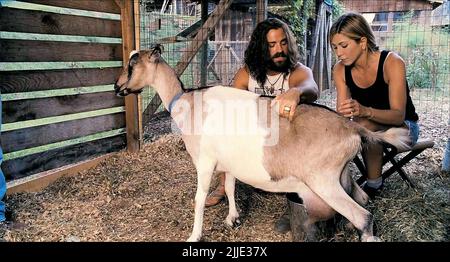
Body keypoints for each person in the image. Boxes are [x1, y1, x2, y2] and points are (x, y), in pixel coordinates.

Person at [204, 18, 319, 234]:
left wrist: (296, 91)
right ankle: (223, 186)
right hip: (255, 139)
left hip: (286, 142)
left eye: (283, 43)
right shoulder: (247, 74)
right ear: (261, 48)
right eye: (272, 45)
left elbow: (311, 87)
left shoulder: (296, 71)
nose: (279, 50)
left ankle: (296, 204)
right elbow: (231, 105)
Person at [330, 12, 420, 198]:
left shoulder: (392, 63)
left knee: (365, 126)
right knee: (343, 130)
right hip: (367, 126)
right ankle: (333, 183)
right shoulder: (340, 70)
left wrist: (364, 111)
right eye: (335, 47)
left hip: (405, 128)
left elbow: (398, 115)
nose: (338, 53)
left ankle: (373, 187)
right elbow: (344, 117)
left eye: (344, 45)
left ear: (362, 42)